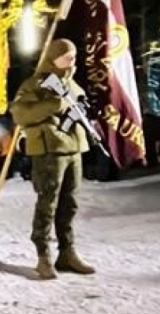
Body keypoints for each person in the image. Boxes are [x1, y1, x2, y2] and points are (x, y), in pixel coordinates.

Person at [9, 38, 95, 280]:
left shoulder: (73, 85)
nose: (71, 60)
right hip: (48, 150)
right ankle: (43, 255)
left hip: (73, 147)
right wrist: (53, 104)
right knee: (47, 203)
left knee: (70, 204)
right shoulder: (36, 84)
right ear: (53, 57)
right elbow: (20, 113)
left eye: (73, 56)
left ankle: (67, 252)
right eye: (66, 56)